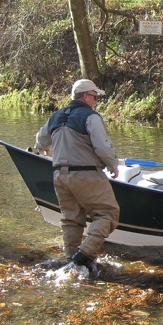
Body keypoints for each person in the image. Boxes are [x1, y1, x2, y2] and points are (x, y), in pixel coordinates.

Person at [35, 79, 120, 272]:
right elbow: (102, 146)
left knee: (71, 219)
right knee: (108, 214)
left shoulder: (55, 116)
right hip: (86, 174)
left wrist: (44, 151)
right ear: (86, 96)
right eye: (95, 97)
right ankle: (84, 256)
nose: (96, 101)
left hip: (59, 176)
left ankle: (71, 263)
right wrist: (113, 165)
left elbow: (40, 141)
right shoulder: (91, 117)